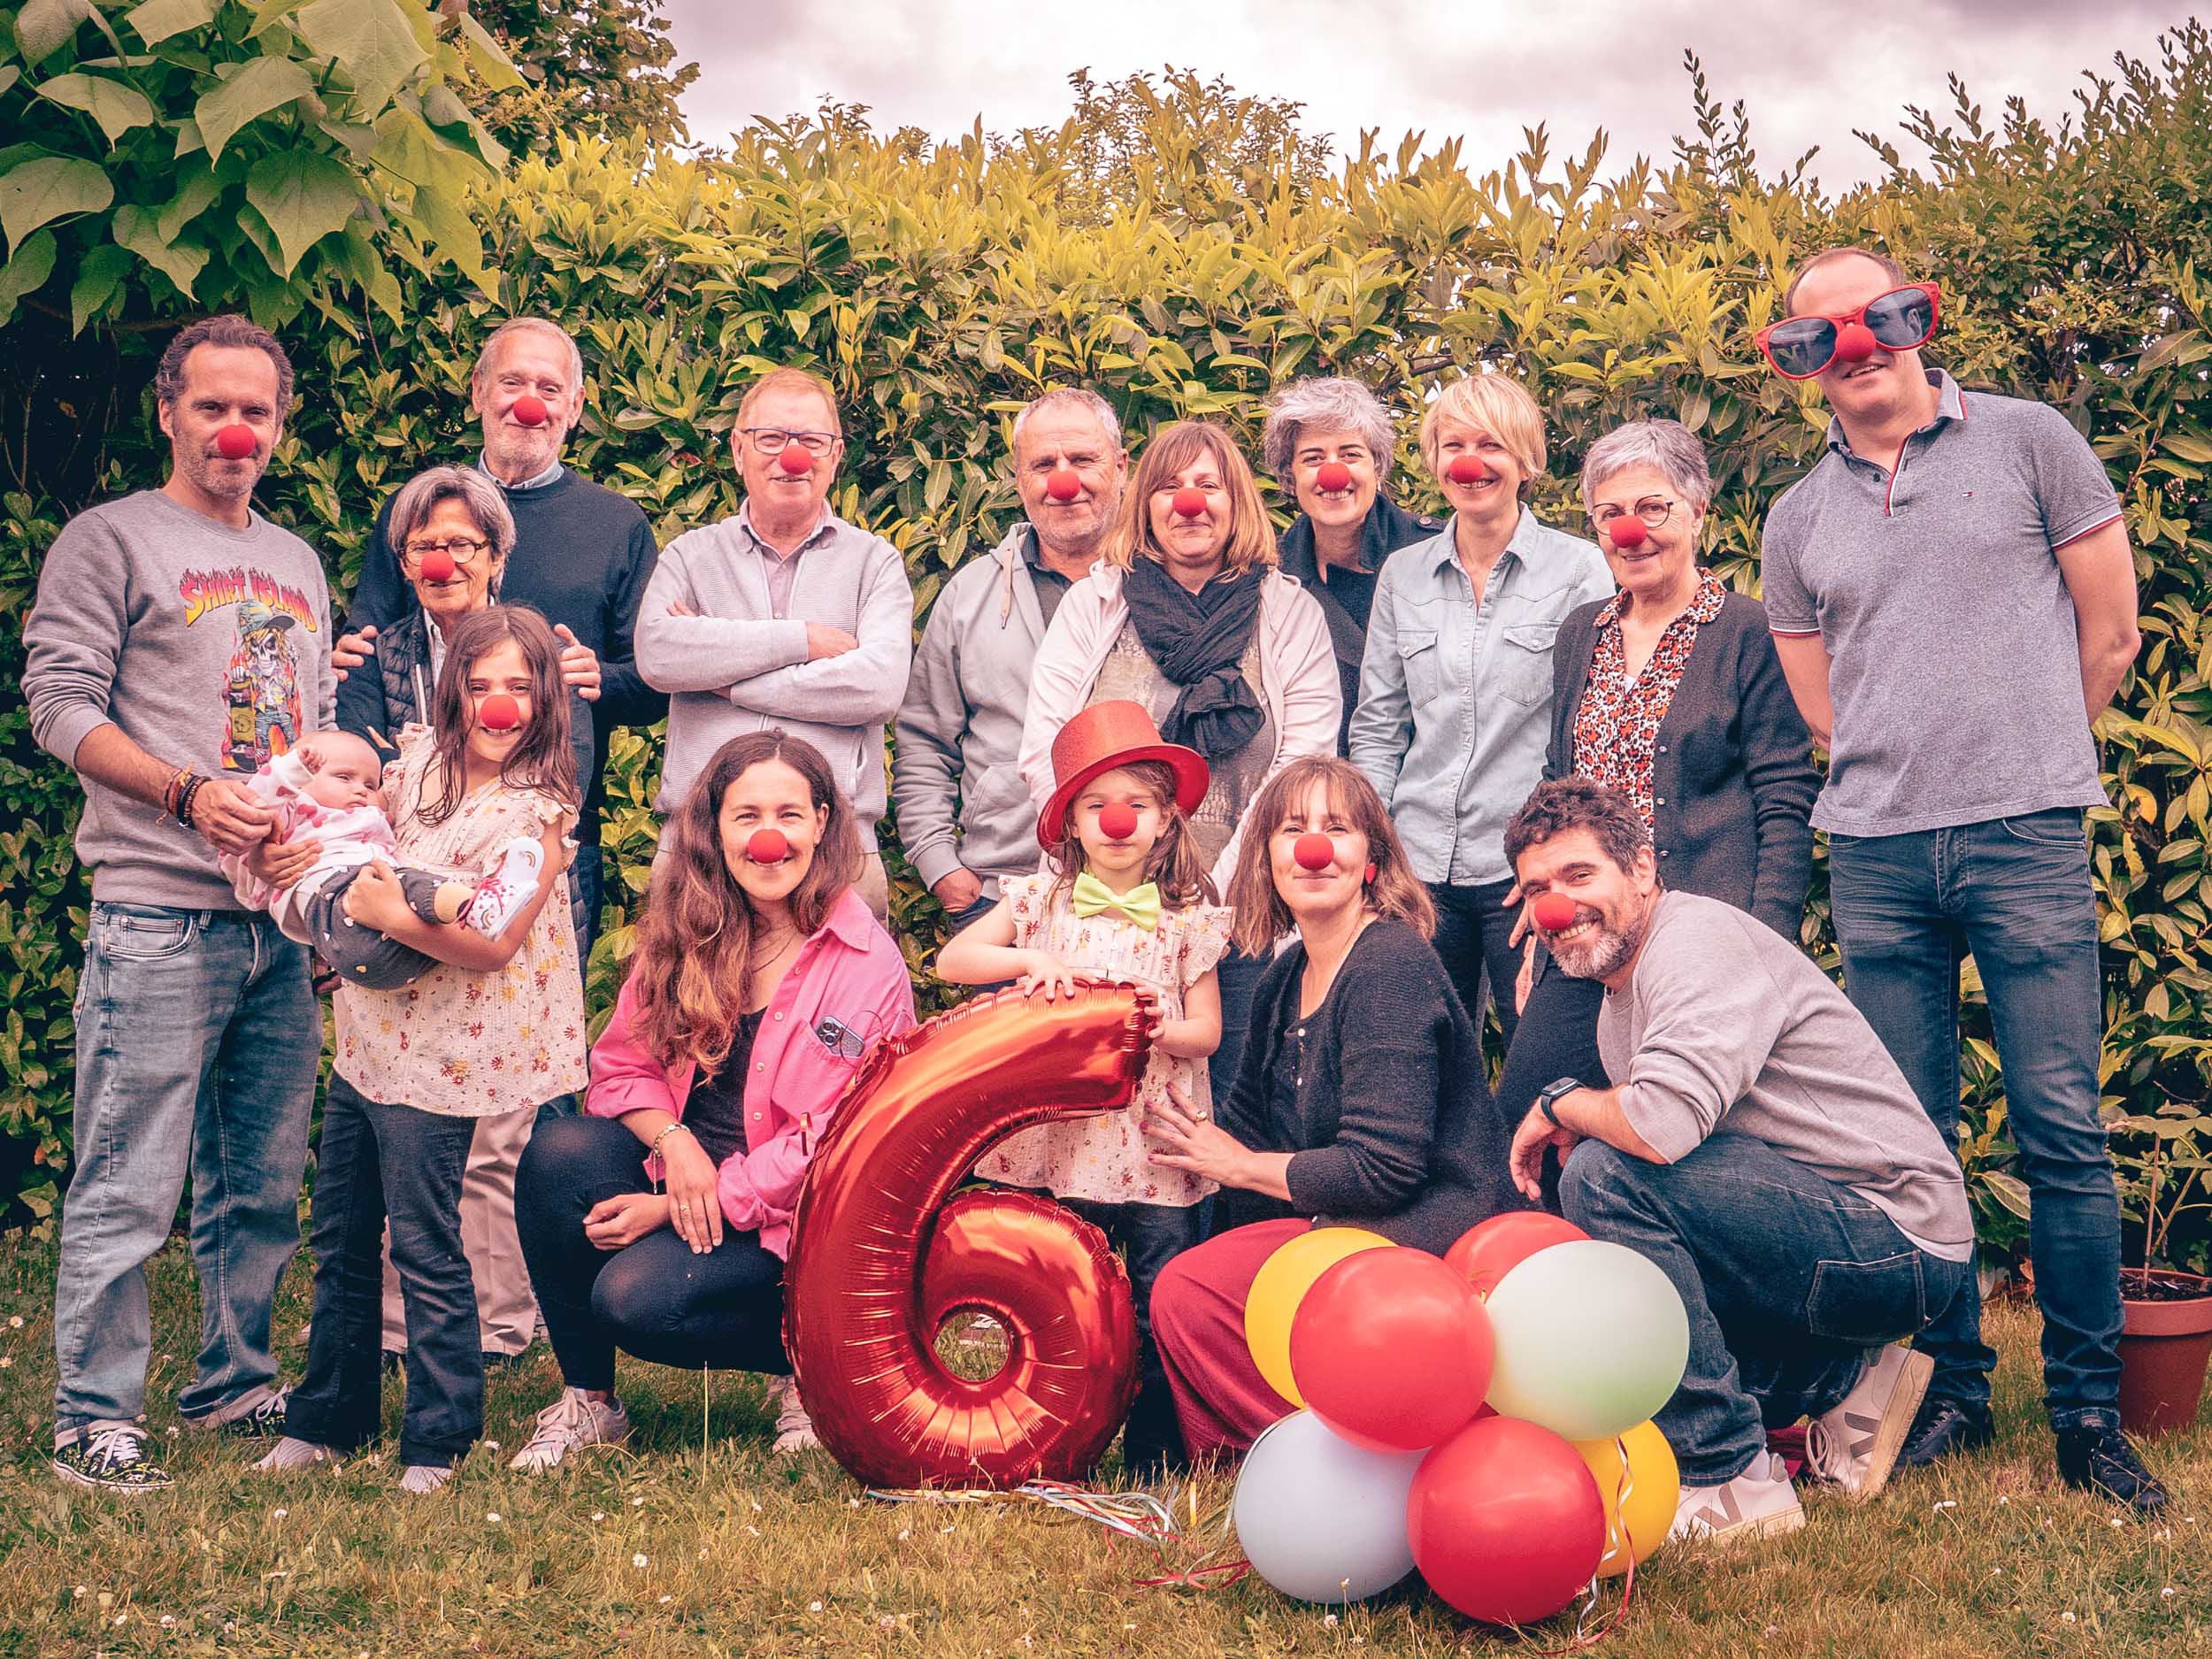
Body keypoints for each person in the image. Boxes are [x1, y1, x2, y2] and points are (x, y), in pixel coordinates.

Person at [1757, 246, 2163, 1510]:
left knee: (2062, 1131)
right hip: (1877, 849)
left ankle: (2090, 1412)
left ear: (1913, 317)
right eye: (1826, 333)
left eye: (1877, 318)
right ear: (1803, 361)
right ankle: (1955, 1389)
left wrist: (2033, 752)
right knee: (1906, 1143)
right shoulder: (1794, 517)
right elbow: (1824, 706)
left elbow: (2112, 632)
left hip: (2028, 831)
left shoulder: (2033, 440)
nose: (1860, 346)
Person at [25, 315, 334, 1493]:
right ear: (170, 411)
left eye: (255, 409)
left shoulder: (298, 560)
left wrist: (322, 891)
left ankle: (233, 1380)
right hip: (157, 911)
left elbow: (301, 745)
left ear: (279, 424)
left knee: (256, 1181)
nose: (235, 430)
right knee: (128, 1175)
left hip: (277, 920)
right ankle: (94, 1418)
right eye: (210, 406)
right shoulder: (107, 541)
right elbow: (59, 706)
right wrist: (188, 794)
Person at [1502, 777, 1977, 1540]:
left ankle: (1729, 1473)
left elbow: (1659, 1126)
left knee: (1604, 1174)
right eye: (1537, 889)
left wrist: (1561, 1103)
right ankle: (1848, 1382)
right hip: (1837, 1234)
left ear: (1644, 871)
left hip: (1898, 1243)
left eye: (1578, 875)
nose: (1556, 904)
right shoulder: (1622, 993)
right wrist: (1591, 1115)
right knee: (1632, 1242)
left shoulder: (1694, 944)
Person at [506, 732, 917, 1471]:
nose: (770, 836)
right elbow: (618, 1067)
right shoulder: (689, 928)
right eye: (747, 814)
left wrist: (677, 1207)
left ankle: (811, 1368)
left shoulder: (865, 959)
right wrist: (676, 1144)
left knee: (635, 1301)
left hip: (800, 1226)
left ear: (822, 822)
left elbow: (835, 1142)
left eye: (789, 814)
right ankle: (589, 1402)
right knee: (557, 1151)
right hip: (690, 1173)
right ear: (715, 828)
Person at [253, 606, 585, 1494]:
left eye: (518, 685)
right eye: (479, 685)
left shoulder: (540, 816)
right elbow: (360, 835)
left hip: (445, 1057)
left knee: (427, 1245)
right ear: (454, 693)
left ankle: (438, 1437)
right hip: (371, 1039)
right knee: (343, 1232)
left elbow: (494, 937)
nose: (497, 703)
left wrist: (387, 913)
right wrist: (306, 861)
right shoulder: (424, 766)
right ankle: (329, 1417)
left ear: (544, 697)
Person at [1144, 757, 1528, 1461]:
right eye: (1293, 829)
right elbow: (1249, 1132)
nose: (1313, 847)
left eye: (1336, 828)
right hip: (1341, 1219)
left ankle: (1355, 1453)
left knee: (1193, 1292)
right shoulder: (1283, 975)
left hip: (1431, 1225)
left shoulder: (1389, 967)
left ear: (1371, 861)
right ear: (1267, 858)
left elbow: (1384, 1167)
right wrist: (1185, 1159)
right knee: (1193, 1284)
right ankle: (1269, 1453)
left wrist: (1238, 1164)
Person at [1493, 419, 1816, 1141]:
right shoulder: (1583, 631)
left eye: (1653, 508)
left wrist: (1765, 945)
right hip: (1589, 937)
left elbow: (1785, 800)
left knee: (1681, 1139)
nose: (1630, 531)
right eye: (1609, 514)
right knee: (1522, 1112)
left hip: (1701, 944)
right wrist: (1539, 888)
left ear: (1699, 511)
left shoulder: (1750, 633)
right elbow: (1560, 780)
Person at [338, 464, 596, 1365]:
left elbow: (550, 813)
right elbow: (362, 772)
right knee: (401, 1137)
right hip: (404, 940)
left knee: (491, 1144)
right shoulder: (376, 651)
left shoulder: (545, 659)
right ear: (402, 559)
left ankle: (491, 1324)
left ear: (494, 555)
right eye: (424, 545)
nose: (442, 559)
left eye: (461, 543)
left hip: (490, 920)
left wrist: (401, 898)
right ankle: (402, 1321)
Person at [938, 700, 1233, 1471]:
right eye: (1097, 806)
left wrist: (1162, 1029)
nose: (1117, 821)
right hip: (1066, 1142)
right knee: (1062, 1293)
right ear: (1070, 823)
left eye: (1135, 805)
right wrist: (1028, 962)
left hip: (1156, 1139)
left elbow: (1209, 1030)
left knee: (1156, 1296)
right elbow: (953, 963)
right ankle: (1055, 1437)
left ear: (1167, 821)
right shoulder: (1038, 903)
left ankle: (1155, 1452)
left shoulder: (1187, 919)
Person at [1019, 419, 1338, 1097]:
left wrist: (1210, 892)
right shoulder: (1093, 604)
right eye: (1168, 486)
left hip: (1246, 913)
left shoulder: (1289, 613)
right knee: (1103, 1108)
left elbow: (1302, 765)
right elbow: (1049, 747)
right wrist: (1128, 876)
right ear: (1145, 505)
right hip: (1108, 912)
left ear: (1236, 503)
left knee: (1237, 1109)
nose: (1188, 502)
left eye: (1207, 485)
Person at [334, 317, 662, 964]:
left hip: (548, 836)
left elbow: (650, 683)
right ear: (480, 390)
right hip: (409, 837)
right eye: (512, 381)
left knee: (525, 1003)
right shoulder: (415, 507)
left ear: (575, 405)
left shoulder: (617, 523)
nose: (528, 402)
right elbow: (369, 646)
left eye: (547, 386)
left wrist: (599, 678)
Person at [1349, 373, 1612, 1045]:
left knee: (1541, 1050)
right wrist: (1376, 855)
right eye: (1452, 444)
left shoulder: (1580, 570)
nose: (1469, 462)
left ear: (1524, 460)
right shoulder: (1402, 575)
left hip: (1523, 868)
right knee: (1416, 1057)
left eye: (1489, 444)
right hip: (1417, 867)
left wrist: (1562, 861)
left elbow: (1591, 731)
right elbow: (1379, 727)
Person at [635, 366, 912, 918]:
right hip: (700, 840)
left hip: (837, 845)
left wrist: (727, 683)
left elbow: (877, 687)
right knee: (687, 1003)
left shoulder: (876, 562)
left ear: (834, 457)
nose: (793, 456)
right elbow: (659, 654)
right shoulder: (689, 556)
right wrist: (802, 640)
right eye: (773, 439)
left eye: (811, 440)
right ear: (739, 450)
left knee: (847, 1007)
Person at [895, 388, 1128, 932]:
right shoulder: (970, 595)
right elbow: (924, 738)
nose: (1062, 480)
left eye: (1082, 460)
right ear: (1020, 478)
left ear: (1120, 466)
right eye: (1043, 464)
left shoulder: (1165, 589)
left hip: (1144, 901)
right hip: (999, 899)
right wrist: (941, 868)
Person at [220, 728, 546, 983]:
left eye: (370, 783)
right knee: (411, 883)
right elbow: (256, 803)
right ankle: (478, 905)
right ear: (302, 782)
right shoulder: (296, 814)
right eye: (344, 777)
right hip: (335, 905)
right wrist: (290, 772)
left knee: (409, 885)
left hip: (398, 950)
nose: (361, 789)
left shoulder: (372, 818)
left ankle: (481, 912)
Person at [1262, 376, 1440, 752]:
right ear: (1290, 478)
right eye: (1313, 459)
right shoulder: (1270, 576)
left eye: (1350, 455)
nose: (1334, 473)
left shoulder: (1436, 555)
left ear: (1377, 467)